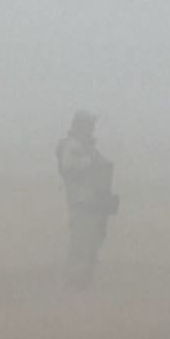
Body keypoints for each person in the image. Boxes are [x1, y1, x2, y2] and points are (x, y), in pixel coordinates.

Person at [56, 111, 116, 289]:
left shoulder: (86, 146)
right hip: (81, 203)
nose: (91, 129)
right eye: (89, 125)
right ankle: (74, 285)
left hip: (93, 202)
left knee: (92, 244)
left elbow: (102, 164)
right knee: (80, 244)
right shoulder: (72, 145)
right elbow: (67, 166)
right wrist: (90, 162)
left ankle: (84, 283)